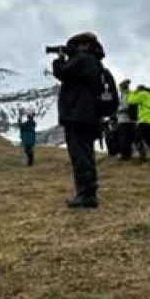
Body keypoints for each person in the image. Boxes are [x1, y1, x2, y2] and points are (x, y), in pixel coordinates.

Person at [52, 32, 105, 208]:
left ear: (85, 45)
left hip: (78, 115)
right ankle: (87, 193)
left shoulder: (83, 59)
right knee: (86, 153)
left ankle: (86, 195)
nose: (73, 49)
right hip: (88, 116)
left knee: (80, 155)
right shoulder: (94, 61)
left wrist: (59, 60)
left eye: (76, 45)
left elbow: (63, 73)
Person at [115, 80, 136, 161]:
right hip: (131, 120)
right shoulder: (131, 94)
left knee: (123, 138)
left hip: (124, 120)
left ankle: (124, 156)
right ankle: (128, 154)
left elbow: (125, 107)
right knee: (128, 138)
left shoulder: (125, 95)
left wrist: (117, 110)